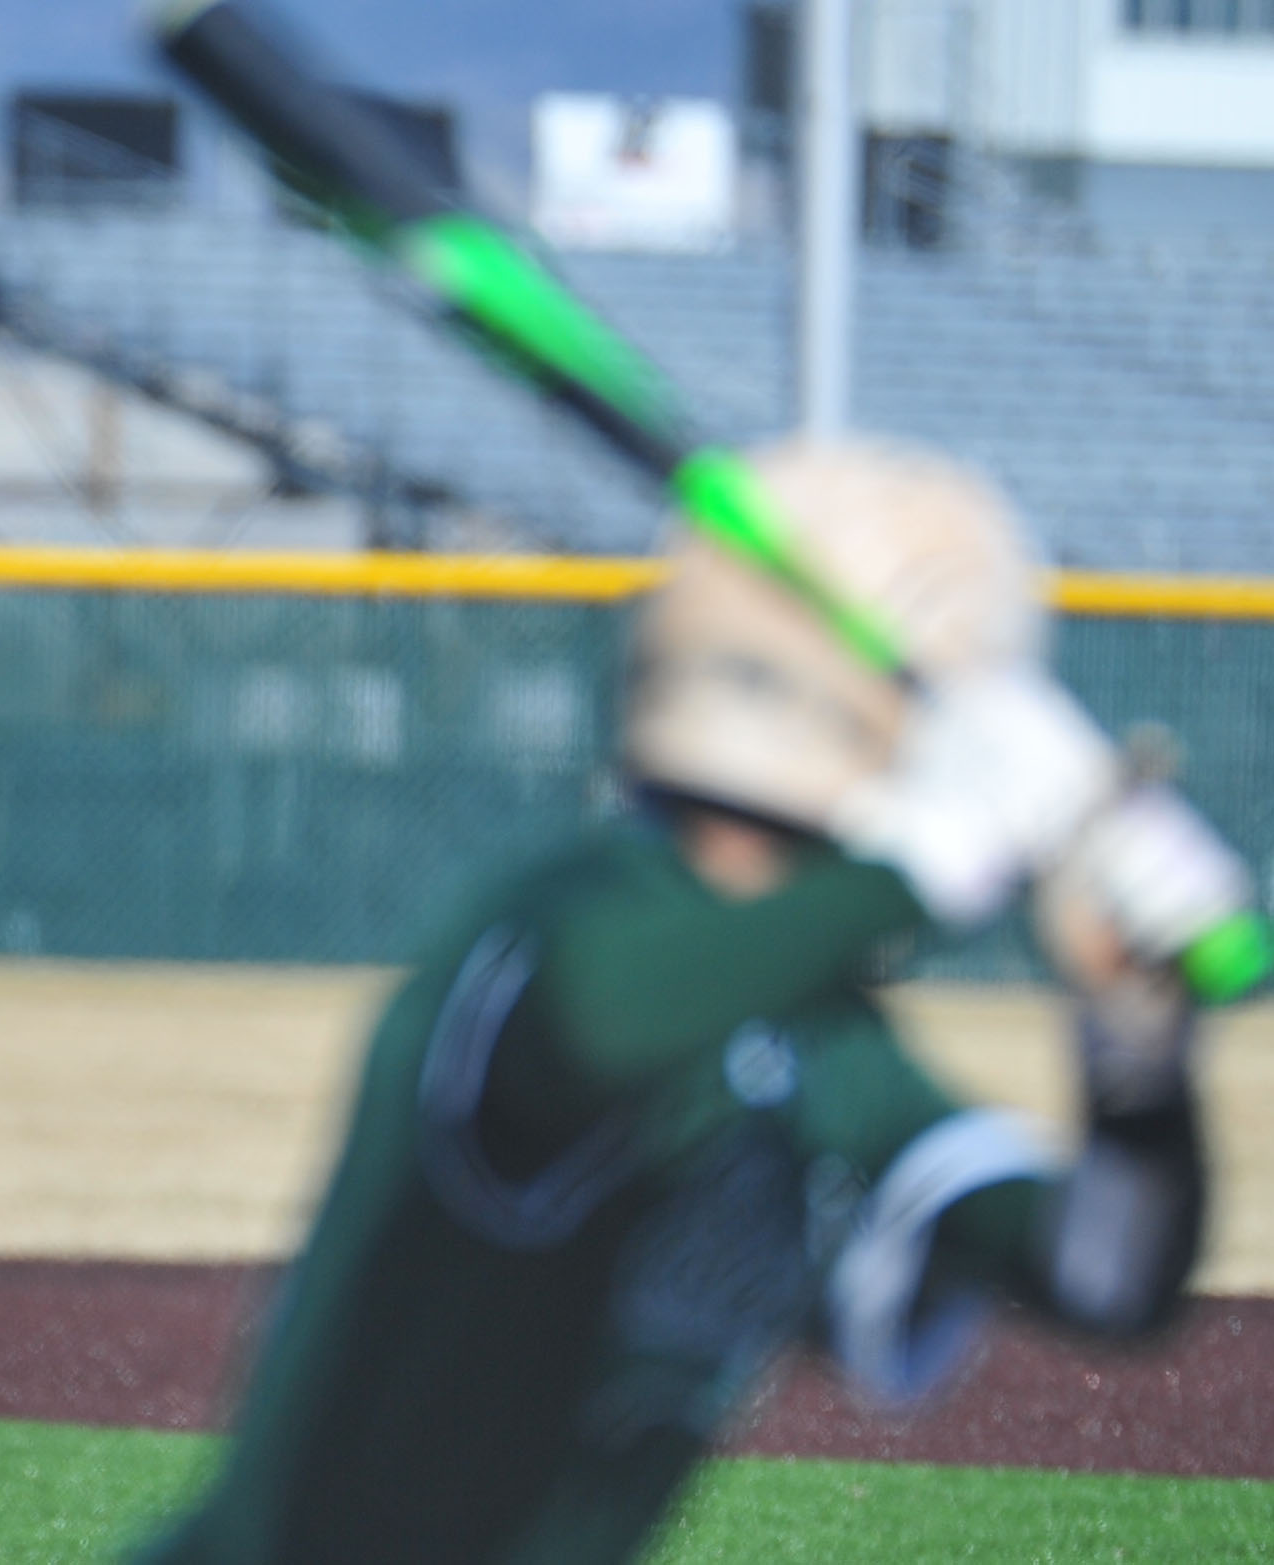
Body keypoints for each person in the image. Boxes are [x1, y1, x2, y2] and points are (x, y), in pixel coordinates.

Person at [141, 439, 1252, 1564]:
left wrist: (1137, 1053)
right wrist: (929, 857)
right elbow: (596, 1025)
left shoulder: (825, 1045)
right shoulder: (562, 917)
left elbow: (1103, 1278)